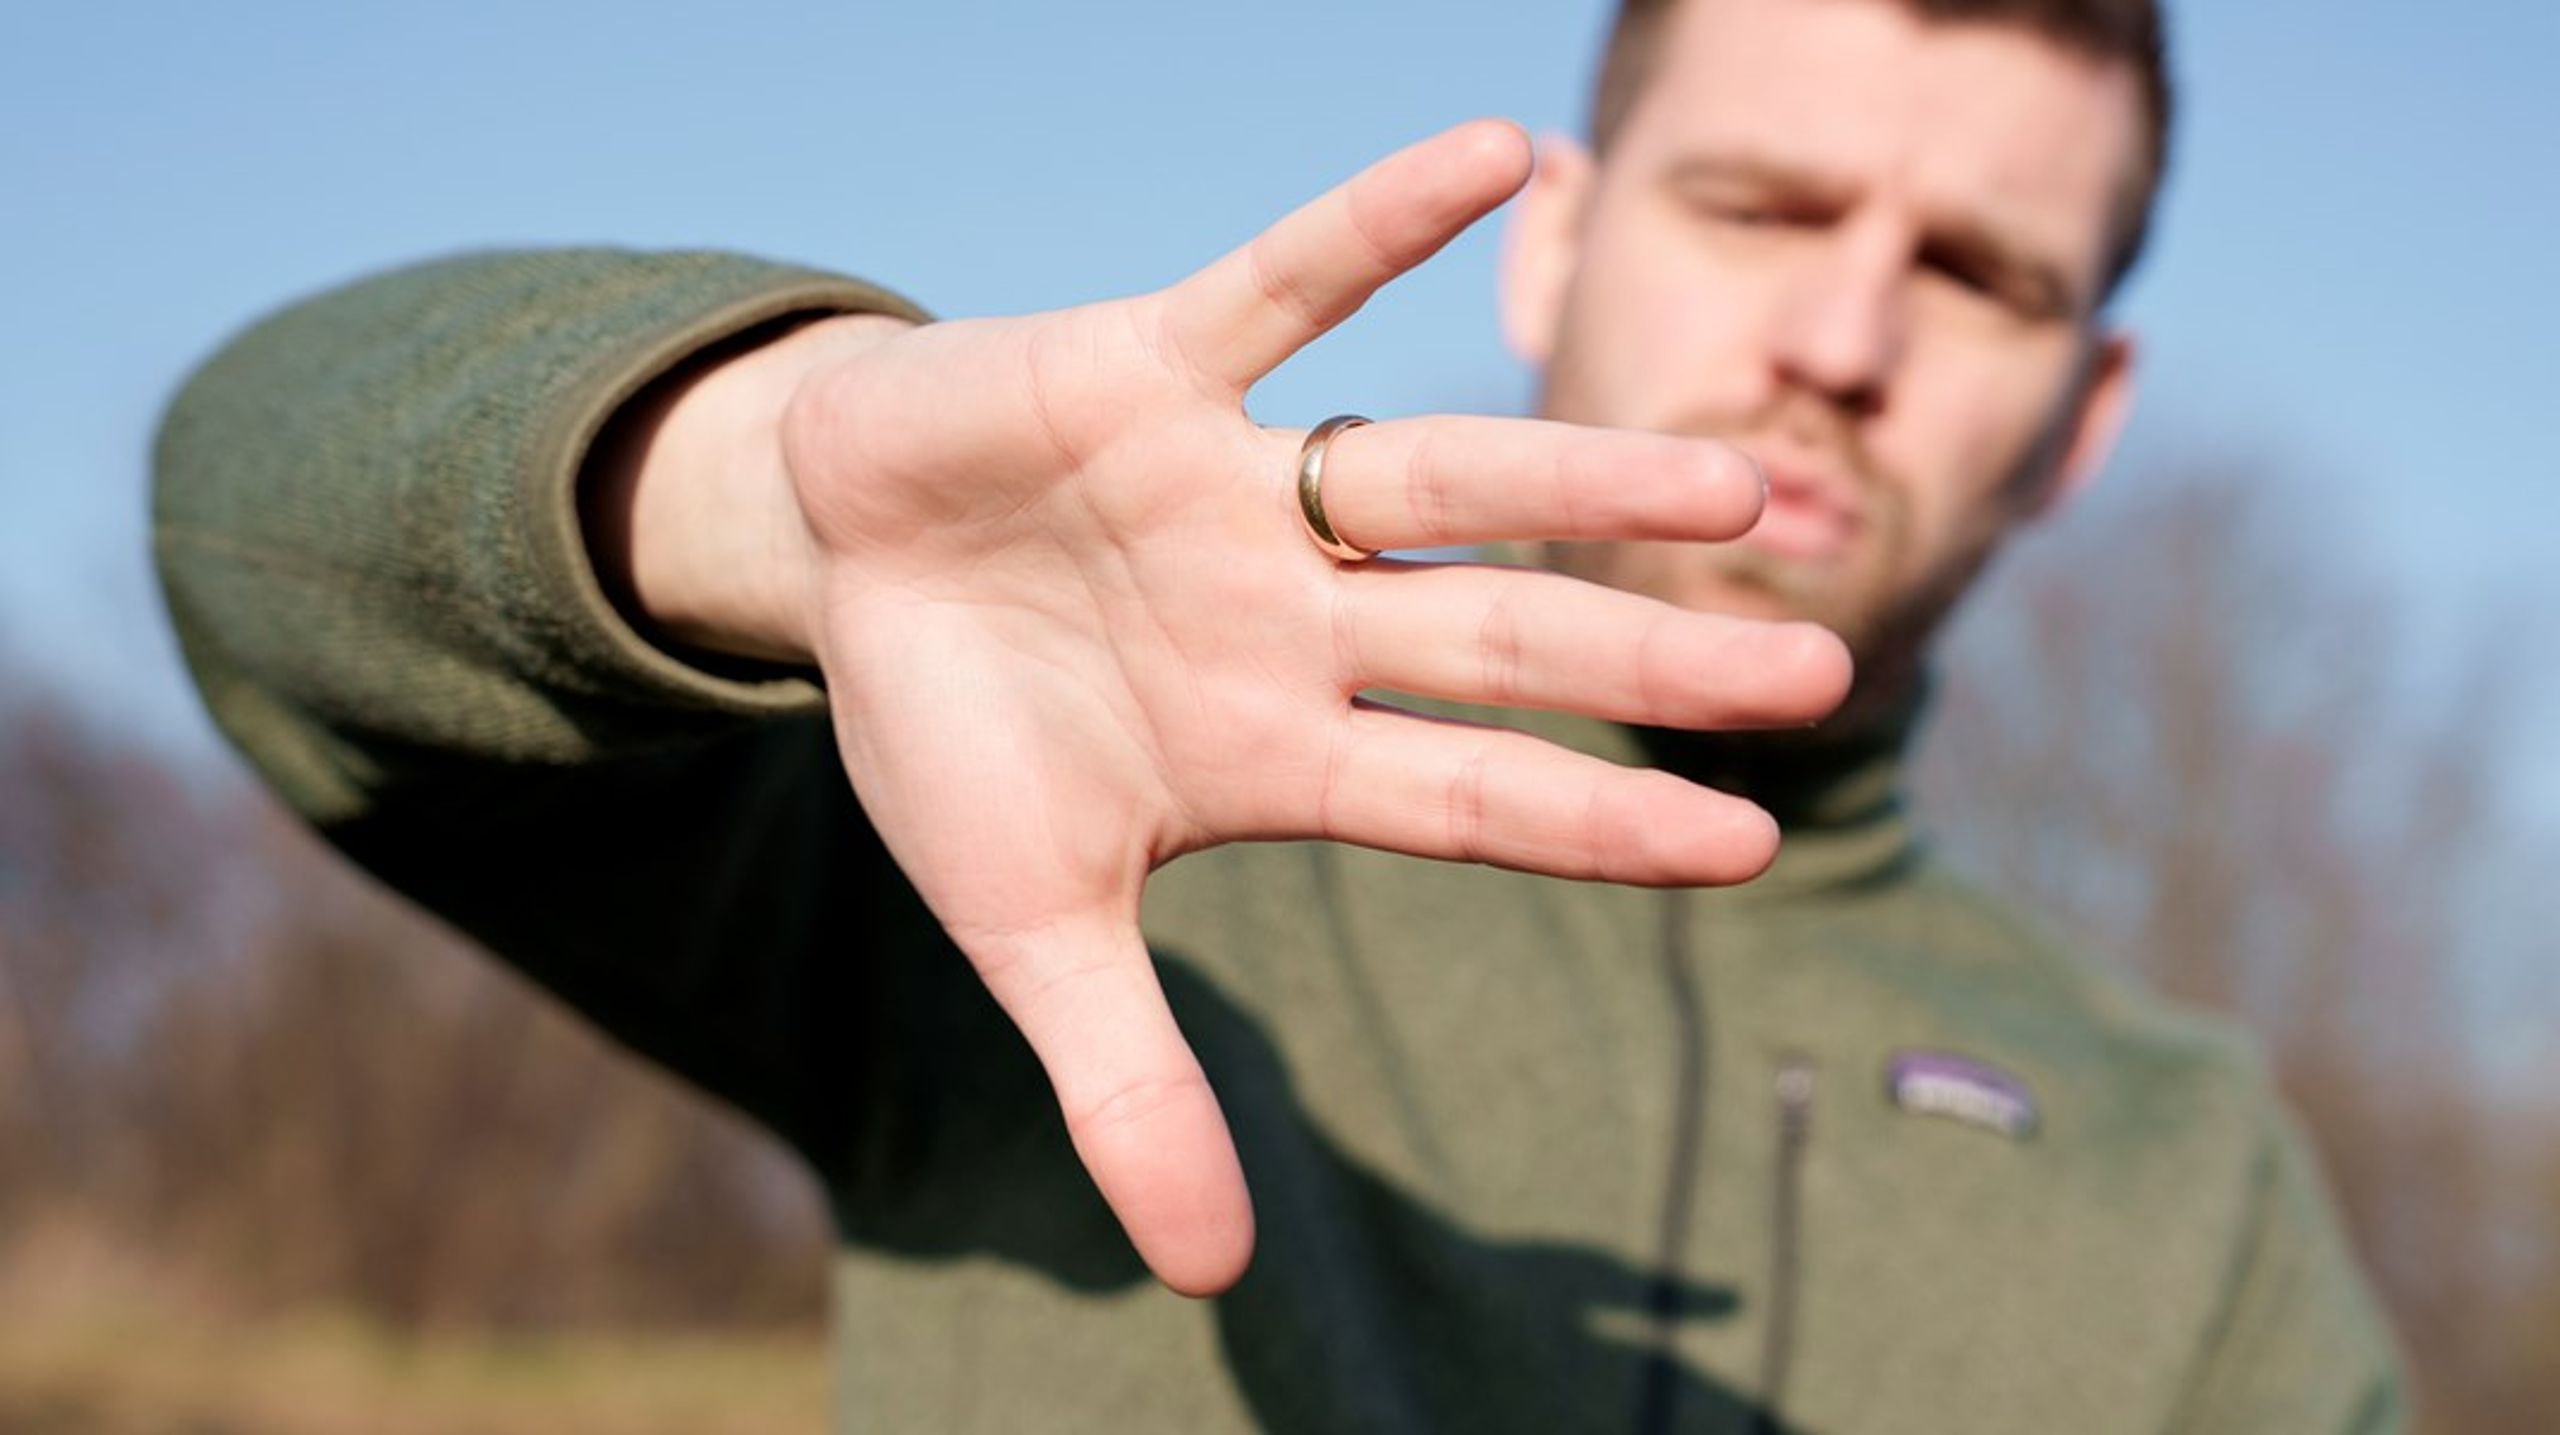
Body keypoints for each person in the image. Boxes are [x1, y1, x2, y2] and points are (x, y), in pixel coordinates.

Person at [154, 0, 2404, 1428]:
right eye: (1760, 206)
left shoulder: (2190, 1180)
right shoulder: (1043, 780)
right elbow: (244, 536)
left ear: (2080, 415)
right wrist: (770, 484)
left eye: (1976, 272)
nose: (1841, 340)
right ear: (1553, 247)